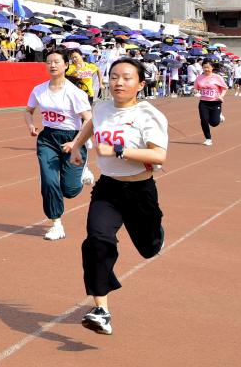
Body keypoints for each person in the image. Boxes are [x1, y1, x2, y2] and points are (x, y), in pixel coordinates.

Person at [65, 57, 168, 336]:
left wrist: (119, 150)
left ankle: (156, 232)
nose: (118, 82)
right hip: (108, 189)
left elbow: (158, 155)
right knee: (97, 241)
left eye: (126, 77)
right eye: (114, 77)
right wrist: (76, 145)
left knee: (149, 248)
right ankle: (101, 309)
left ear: (140, 84)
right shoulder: (101, 107)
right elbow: (92, 127)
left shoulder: (149, 115)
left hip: (140, 191)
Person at [25, 50, 93, 241]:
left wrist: (75, 142)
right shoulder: (39, 89)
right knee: (48, 181)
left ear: (65, 65)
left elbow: (89, 120)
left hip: (73, 138)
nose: (52, 65)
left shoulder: (74, 92)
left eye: (56, 62)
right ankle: (56, 224)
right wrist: (31, 124)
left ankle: (83, 171)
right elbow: (28, 110)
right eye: (49, 62)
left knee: (70, 190)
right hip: (48, 139)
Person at [194, 58, 228, 146]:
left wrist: (221, 96)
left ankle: (219, 117)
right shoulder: (199, 77)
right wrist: (196, 92)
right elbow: (196, 88)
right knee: (204, 120)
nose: (206, 69)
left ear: (212, 67)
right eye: (204, 67)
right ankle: (208, 138)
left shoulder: (217, 77)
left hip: (215, 102)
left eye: (208, 67)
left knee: (214, 123)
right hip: (203, 102)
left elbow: (224, 88)